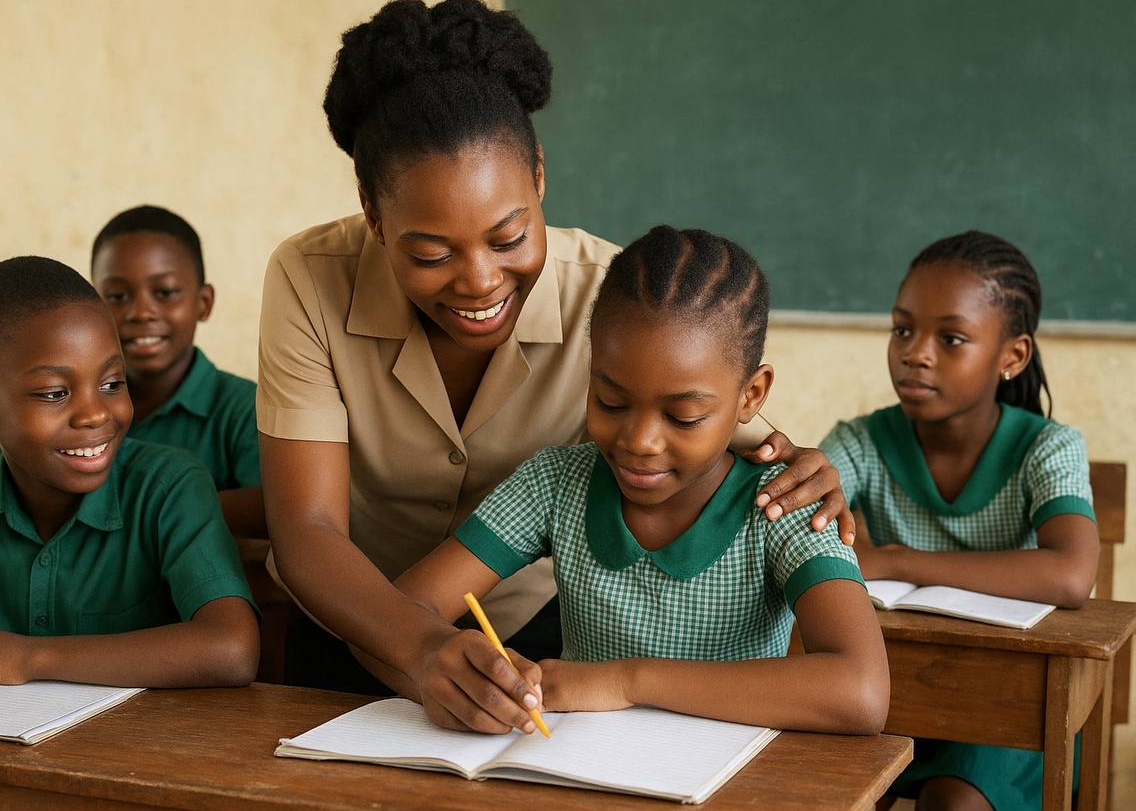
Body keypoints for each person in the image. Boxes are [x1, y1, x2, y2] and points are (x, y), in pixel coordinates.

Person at [258, 0, 857, 701]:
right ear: (372, 213)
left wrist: (809, 469)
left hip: (534, 641)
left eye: (509, 238)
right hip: (350, 625)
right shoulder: (309, 276)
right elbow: (309, 529)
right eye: (429, 253)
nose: (479, 279)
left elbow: (732, 428)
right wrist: (422, 646)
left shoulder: (617, 302)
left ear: (539, 176)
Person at [372, 226, 888, 735]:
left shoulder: (788, 503)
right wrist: (458, 668)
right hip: (579, 777)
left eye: (683, 416)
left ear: (752, 396)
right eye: (611, 401)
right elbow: (403, 611)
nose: (639, 440)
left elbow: (861, 692)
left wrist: (626, 682)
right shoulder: (554, 486)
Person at [0, 256, 259, 704]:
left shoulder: (169, 487)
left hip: (144, 752)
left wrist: (29, 658)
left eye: (112, 383)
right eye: (54, 393)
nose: (95, 414)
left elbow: (232, 649)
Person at [820, 231, 1099, 810]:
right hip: (895, 687)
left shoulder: (1046, 449)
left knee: (954, 804)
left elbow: (1072, 574)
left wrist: (896, 559)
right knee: (825, 787)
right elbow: (795, 525)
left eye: (951, 338)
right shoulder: (863, 441)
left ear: (1012, 356)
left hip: (1011, 707)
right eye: (903, 329)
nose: (916, 352)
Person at [91, 205, 265, 538]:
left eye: (165, 292)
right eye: (116, 296)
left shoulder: (246, 408)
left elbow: (274, 511)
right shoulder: (79, 408)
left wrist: (142, 511)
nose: (141, 312)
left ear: (203, 303)